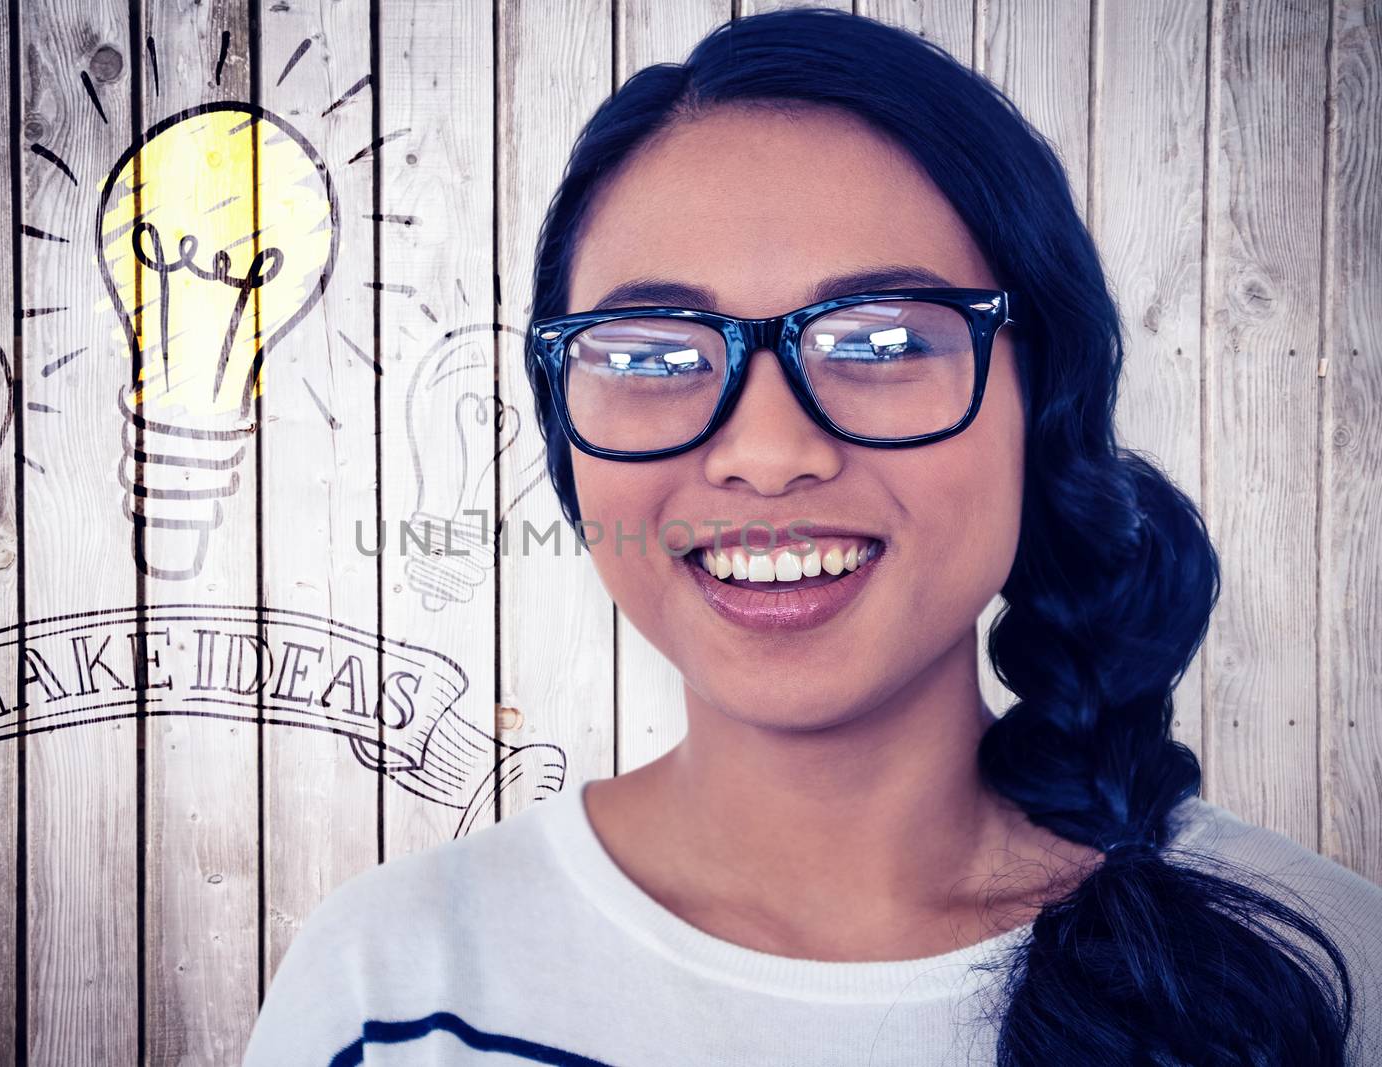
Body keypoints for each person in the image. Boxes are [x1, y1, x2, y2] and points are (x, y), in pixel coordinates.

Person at [245, 8, 1380, 1064]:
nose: (767, 450)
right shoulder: (387, 984)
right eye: (651, 355)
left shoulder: (1322, 961)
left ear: (1047, 405)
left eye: (881, 341)